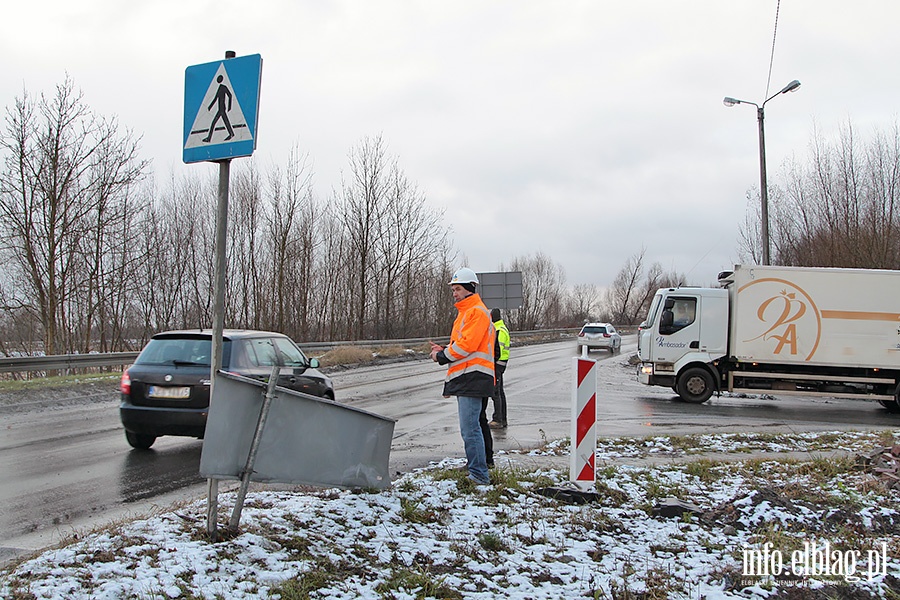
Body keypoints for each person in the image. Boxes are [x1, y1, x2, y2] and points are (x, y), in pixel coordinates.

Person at [430, 267, 495, 485]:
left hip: (473, 377)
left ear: (469, 289)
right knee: (475, 424)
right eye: (453, 289)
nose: (454, 293)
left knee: (470, 427)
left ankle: (478, 474)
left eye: (457, 289)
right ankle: (477, 466)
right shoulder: (467, 312)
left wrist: (441, 355)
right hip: (472, 376)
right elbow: (464, 344)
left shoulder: (475, 311)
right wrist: (446, 348)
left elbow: (467, 345)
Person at [488, 307, 510, 429]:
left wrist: (493, 362)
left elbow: (498, 350)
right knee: (500, 392)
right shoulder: (501, 328)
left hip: (497, 364)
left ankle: (498, 419)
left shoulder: (498, 330)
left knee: (496, 392)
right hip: (501, 364)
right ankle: (502, 419)